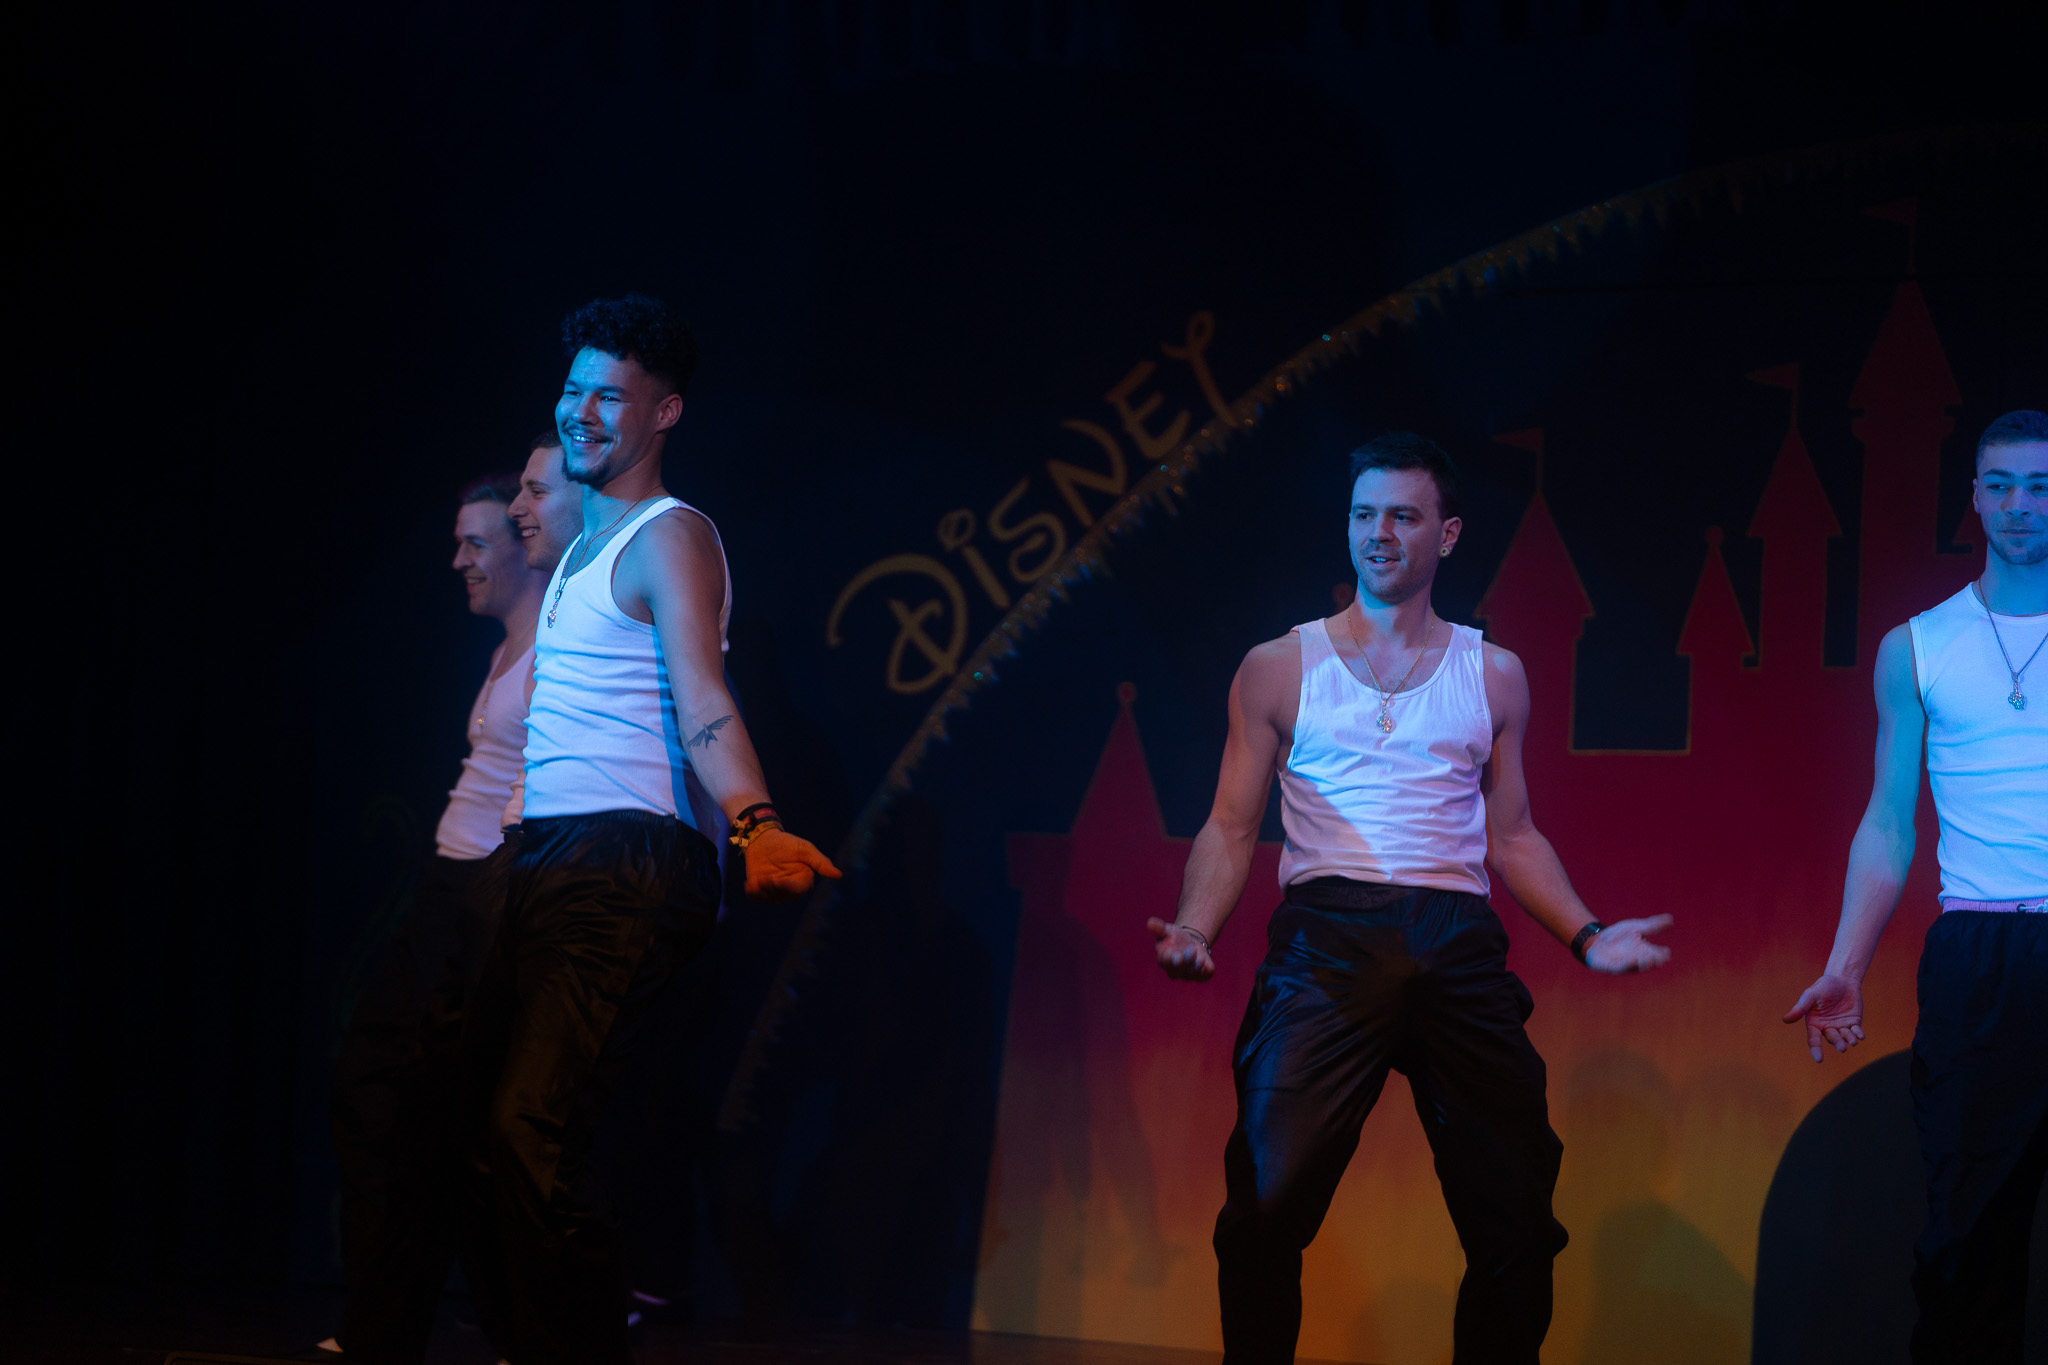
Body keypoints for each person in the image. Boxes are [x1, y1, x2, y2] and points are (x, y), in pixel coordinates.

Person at [1146, 432, 1674, 1365]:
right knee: (1264, 1203)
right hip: (1327, 942)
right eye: (1364, 514)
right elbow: (1230, 825)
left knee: (1517, 1215)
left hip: (1454, 942)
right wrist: (1195, 926)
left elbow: (1514, 836)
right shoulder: (1279, 665)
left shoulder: (1493, 672)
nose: (1379, 533)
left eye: (1402, 515)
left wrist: (1589, 935)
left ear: (1447, 533)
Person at [458, 294, 840, 1365]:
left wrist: (754, 822)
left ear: (663, 412)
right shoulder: (578, 551)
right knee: (484, 1134)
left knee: (531, 1128)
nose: (581, 412)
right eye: (572, 390)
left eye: (610, 398)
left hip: (626, 858)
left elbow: (703, 697)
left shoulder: (670, 537)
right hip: (546, 857)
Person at [1784, 409, 2048, 1364]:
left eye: (2042, 487)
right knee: (1966, 1241)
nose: (2021, 505)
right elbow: (1889, 822)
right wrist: (1846, 964)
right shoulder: (1919, 645)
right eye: (2002, 486)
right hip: (1981, 956)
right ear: (1975, 497)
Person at [324, 454, 561, 1360]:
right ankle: (390, 1318)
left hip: (478, 894)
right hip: (446, 885)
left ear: (523, 548)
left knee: (443, 1118)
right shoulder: (507, 649)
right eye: (458, 543)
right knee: (396, 1102)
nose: (460, 560)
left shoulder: (552, 654)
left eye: (476, 543)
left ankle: (454, 1323)